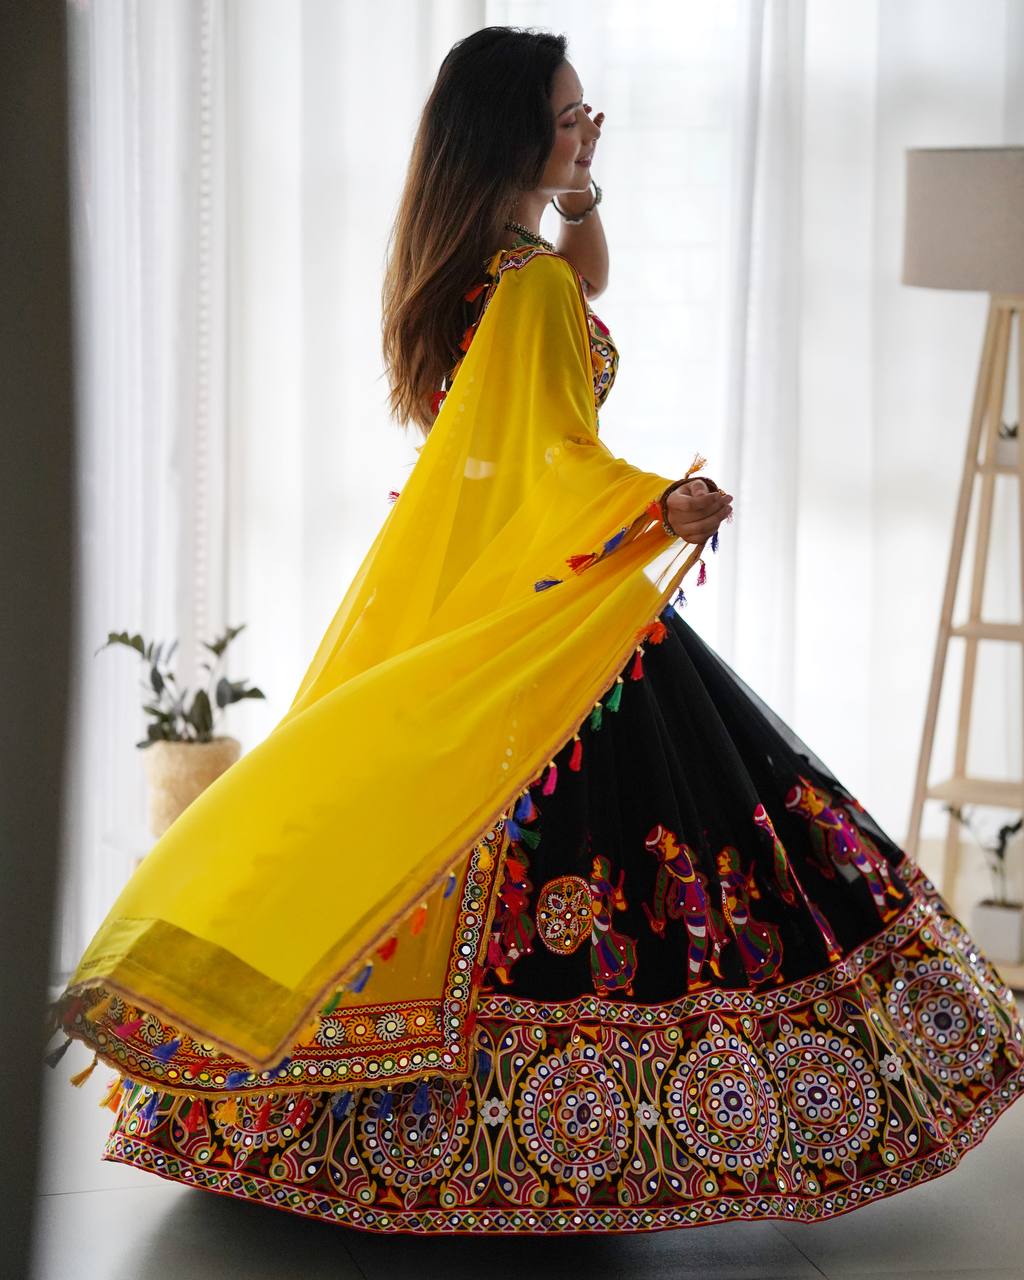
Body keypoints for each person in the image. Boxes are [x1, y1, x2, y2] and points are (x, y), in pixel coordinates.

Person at [47, 25, 1024, 1238]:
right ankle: (594, 1134)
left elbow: (574, 316)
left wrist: (579, 191)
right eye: (567, 114)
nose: (585, 124)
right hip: (563, 597)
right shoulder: (532, 287)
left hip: (503, 588)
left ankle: (428, 1129)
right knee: (685, 843)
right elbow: (557, 457)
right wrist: (653, 504)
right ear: (513, 128)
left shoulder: (477, 270)